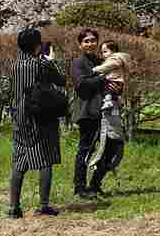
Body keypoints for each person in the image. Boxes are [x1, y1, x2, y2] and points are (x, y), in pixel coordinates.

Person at [7, 26, 67, 218]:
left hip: (19, 118)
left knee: (19, 162)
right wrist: (52, 60)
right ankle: (43, 205)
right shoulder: (40, 64)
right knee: (45, 159)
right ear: (37, 45)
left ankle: (14, 208)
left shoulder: (14, 65)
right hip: (40, 117)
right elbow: (62, 80)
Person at [85, 42, 130, 194]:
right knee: (106, 149)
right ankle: (93, 185)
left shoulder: (114, 63)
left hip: (113, 114)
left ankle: (95, 184)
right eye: (102, 52)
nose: (103, 54)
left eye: (105, 51)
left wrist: (93, 71)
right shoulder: (112, 71)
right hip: (106, 118)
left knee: (113, 149)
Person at [68, 28, 107, 199]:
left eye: (93, 40)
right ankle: (80, 187)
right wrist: (102, 78)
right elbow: (81, 85)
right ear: (80, 44)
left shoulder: (101, 61)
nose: (90, 43)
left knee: (109, 149)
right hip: (87, 112)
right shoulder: (78, 63)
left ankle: (95, 184)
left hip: (104, 111)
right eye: (86, 41)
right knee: (86, 149)